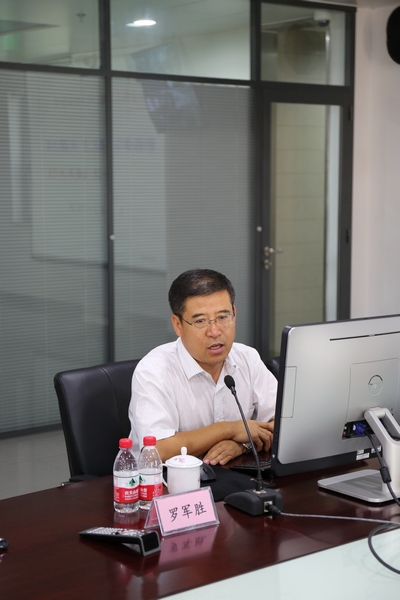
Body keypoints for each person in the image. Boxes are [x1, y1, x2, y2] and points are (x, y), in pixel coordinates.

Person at [129, 269, 277, 464]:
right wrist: (229, 429)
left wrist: (242, 445)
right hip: (165, 480)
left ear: (234, 314)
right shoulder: (153, 371)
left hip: (232, 474)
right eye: (200, 321)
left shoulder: (247, 358)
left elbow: (285, 425)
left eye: (223, 317)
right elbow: (157, 449)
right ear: (177, 325)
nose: (214, 331)